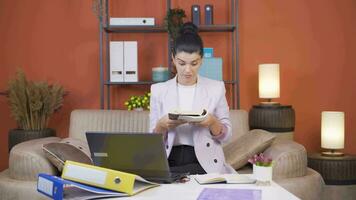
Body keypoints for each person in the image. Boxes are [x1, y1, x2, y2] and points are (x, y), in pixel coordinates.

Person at [149, 22, 235, 175]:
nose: (187, 70)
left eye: (194, 63)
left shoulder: (216, 88)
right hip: (169, 159)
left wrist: (212, 122)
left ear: (201, 60)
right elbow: (151, 142)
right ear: (173, 59)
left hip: (204, 161)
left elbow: (227, 135)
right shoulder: (158, 90)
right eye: (181, 63)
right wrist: (161, 126)